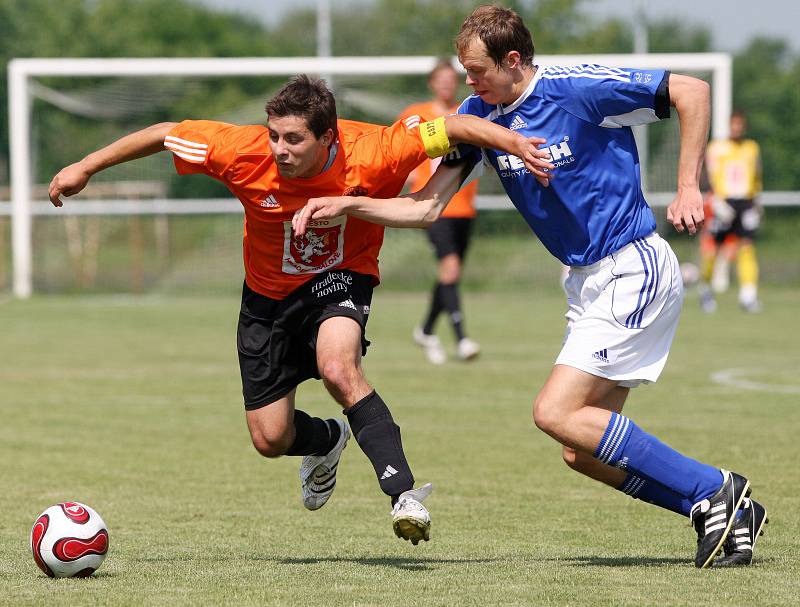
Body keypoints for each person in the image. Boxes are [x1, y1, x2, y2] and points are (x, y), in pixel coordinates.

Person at [292, 6, 767, 567]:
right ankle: (710, 507)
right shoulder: (477, 116)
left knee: (554, 411)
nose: (469, 84)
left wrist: (689, 185)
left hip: (631, 266)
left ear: (512, 60)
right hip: (587, 282)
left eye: (477, 71)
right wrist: (349, 205)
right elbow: (425, 208)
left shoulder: (577, 90)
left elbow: (692, 89)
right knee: (580, 449)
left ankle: (715, 488)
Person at [48, 74, 551, 546]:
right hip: (266, 300)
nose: (279, 150)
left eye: (293, 140)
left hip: (341, 278)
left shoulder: (374, 151)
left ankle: (403, 495)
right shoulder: (241, 152)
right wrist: (85, 166)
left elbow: (459, 125)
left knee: (339, 366)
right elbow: (164, 133)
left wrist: (517, 144)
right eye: (274, 136)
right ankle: (326, 438)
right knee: (270, 438)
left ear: (328, 137)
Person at [400, 60, 481, 365]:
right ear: (432, 83)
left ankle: (425, 329)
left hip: (464, 208)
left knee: (450, 275)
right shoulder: (414, 114)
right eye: (441, 79)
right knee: (451, 269)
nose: (447, 84)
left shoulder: (468, 112)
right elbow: (400, 153)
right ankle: (462, 340)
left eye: (452, 79)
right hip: (435, 204)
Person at [700, 110, 763, 313]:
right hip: (723, 202)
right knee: (713, 248)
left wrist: (756, 203)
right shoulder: (716, 148)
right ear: (729, 126)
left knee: (746, 246)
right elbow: (707, 175)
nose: (736, 128)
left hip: (745, 202)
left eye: (739, 125)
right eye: (733, 124)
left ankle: (748, 295)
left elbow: (757, 176)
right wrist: (715, 201)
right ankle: (706, 290)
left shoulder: (751, 148)